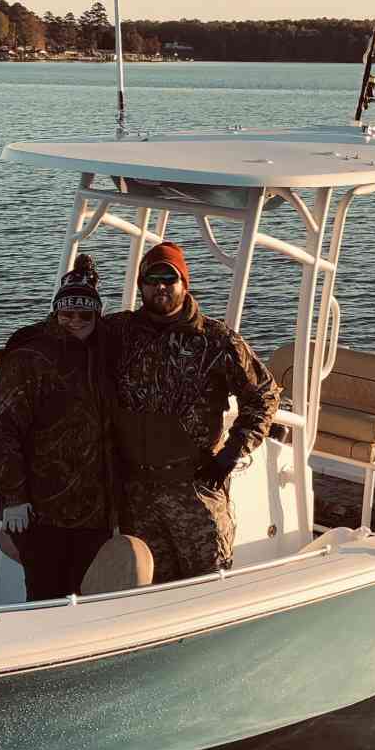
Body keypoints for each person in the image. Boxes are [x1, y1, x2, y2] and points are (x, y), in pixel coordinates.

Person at [102, 241, 280, 584]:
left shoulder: (215, 340)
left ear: (185, 283)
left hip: (194, 489)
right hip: (137, 494)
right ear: (141, 286)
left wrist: (230, 454)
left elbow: (264, 395)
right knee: (150, 589)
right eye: (152, 279)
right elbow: (71, 331)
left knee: (209, 585)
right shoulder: (118, 332)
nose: (161, 287)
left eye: (170, 279)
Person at [0, 254, 112, 600]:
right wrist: (13, 498)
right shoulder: (28, 358)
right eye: (67, 313)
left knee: (86, 595)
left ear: (97, 315)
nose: (75, 321)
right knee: (45, 597)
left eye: (85, 314)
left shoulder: (104, 351)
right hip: (40, 514)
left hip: (94, 513)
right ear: (56, 312)